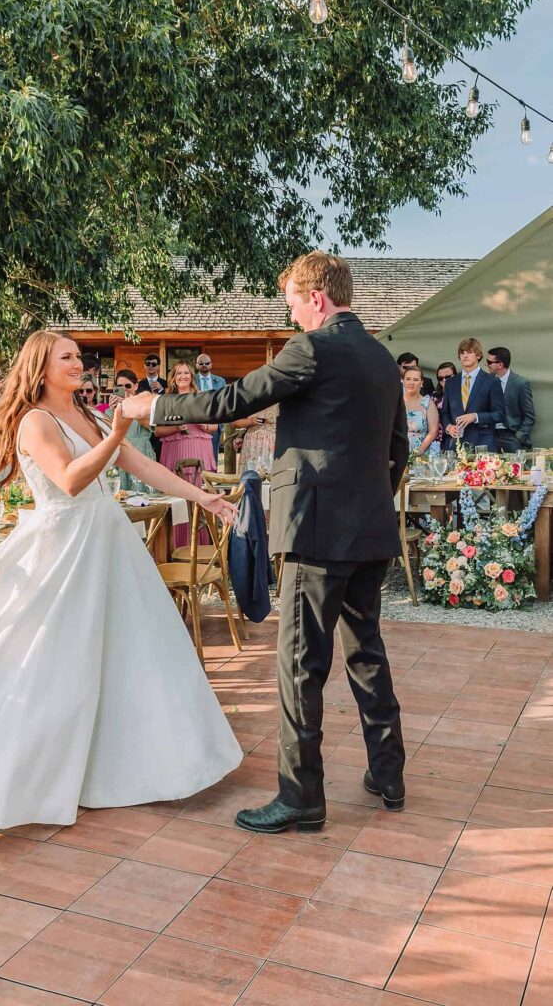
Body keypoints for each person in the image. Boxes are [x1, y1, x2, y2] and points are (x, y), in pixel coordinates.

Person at [0, 331, 242, 833]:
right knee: (48, 665)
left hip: (105, 543)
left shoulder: (87, 416)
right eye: (66, 357)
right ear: (41, 368)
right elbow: (70, 480)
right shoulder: (34, 421)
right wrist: (115, 432)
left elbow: (142, 465)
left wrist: (203, 499)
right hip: (63, 550)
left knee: (126, 654)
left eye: (78, 356)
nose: (78, 363)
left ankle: (128, 765)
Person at [124, 252, 408, 833]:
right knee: (365, 652)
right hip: (371, 531)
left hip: (316, 531)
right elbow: (399, 447)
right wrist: (374, 504)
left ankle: (301, 797)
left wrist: (149, 406)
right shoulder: (382, 357)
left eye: (293, 305)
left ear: (317, 299)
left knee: (300, 664)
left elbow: (231, 402)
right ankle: (389, 773)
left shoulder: (312, 348)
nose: (292, 317)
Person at [156, 361, 218, 544]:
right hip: (174, 450)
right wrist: (176, 427)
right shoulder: (165, 400)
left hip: (199, 448)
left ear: (192, 376)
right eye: (179, 373)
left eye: (186, 373)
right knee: (177, 496)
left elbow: (213, 427)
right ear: (173, 377)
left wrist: (198, 422)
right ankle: (177, 544)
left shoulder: (202, 398)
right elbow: (158, 431)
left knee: (199, 492)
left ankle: (201, 546)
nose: (183, 376)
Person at [441, 338, 505, 452]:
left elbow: (499, 414)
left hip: (482, 444)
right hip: (455, 444)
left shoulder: (491, 381)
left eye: (469, 352)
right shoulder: (451, 383)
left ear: (478, 355)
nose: (465, 356)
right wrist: (449, 427)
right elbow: (445, 413)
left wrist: (475, 417)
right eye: (462, 352)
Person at [107, 368, 155, 488]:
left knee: (144, 496)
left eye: (128, 386)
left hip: (142, 453)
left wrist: (130, 408)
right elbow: (107, 436)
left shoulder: (144, 406)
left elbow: (151, 425)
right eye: (119, 386)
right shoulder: (109, 411)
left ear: (136, 386)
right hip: (120, 455)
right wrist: (115, 412)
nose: (124, 390)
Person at [486, 347, 536, 452]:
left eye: (489, 362)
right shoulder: (487, 382)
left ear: (500, 365)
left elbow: (530, 416)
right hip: (490, 436)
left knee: (514, 468)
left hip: (511, 436)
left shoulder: (520, 384)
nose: (486, 365)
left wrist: (518, 437)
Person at [195, 354, 226, 463]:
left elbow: (224, 401)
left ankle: (213, 478)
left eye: (207, 363)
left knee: (213, 455)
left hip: (214, 421)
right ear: (196, 365)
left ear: (211, 364)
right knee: (197, 454)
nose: (204, 365)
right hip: (197, 422)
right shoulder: (192, 380)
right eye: (201, 363)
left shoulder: (220, 381)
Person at [403, 366, 439, 455]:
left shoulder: (427, 403)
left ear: (422, 383)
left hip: (421, 455)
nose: (411, 383)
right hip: (398, 453)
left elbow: (433, 431)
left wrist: (419, 451)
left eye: (415, 380)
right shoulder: (395, 402)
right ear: (403, 381)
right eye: (408, 379)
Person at [234, 404, 279, 474]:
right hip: (252, 442)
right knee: (251, 474)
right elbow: (235, 423)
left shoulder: (280, 396)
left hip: (274, 439)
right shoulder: (249, 397)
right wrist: (250, 421)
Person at [432, 361, 457, 447]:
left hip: (455, 437)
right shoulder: (433, 397)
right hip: (436, 440)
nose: (444, 380)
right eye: (440, 378)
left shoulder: (462, 395)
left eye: (448, 377)